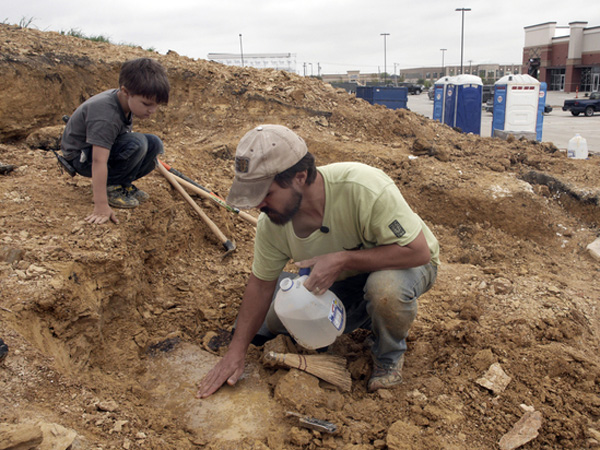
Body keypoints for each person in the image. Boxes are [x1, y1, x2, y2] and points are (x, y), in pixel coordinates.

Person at [197, 124, 439, 397]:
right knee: (278, 319)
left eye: (265, 194)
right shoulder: (271, 224)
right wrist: (235, 352)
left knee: (385, 290)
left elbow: (418, 252)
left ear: (299, 176)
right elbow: (261, 284)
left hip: (404, 262)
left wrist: (342, 259)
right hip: (342, 279)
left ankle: (388, 354)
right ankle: (367, 313)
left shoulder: (361, 186)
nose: (257, 206)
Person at [61, 57, 170, 225]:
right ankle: (111, 187)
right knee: (138, 143)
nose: (153, 110)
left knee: (154, 144)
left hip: (96, 150)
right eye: (147, 104)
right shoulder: (106, 115)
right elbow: (98, 160)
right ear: (126, 92)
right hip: (81, 157)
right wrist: (101, 205)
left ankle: (122, 184)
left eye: (156, 105)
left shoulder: (126, 102)